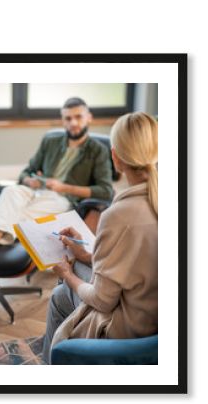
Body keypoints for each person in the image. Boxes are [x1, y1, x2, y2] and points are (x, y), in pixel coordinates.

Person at [42, 111, 158, 364]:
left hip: (132, 327)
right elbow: (135, 262)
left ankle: (53, 369)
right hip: (159, 314)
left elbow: (103, 302)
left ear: (116, 158)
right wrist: (86, 255)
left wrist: (67, 275)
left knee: (61, 295)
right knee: (80, 260)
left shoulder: (118, 215)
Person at [0, 97, 114, 264]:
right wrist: (29, 180)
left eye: (78, 117)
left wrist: (64, 187)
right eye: (68, 118)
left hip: (62, 199)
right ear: (63, 120)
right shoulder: (50, 141)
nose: (73, 122)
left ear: (89, 117)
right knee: (11, 191)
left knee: (17, 213)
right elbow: (25, 172)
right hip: (35, 190)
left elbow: (105, 191)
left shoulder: (98, 151)